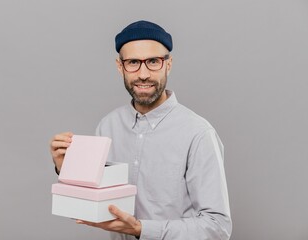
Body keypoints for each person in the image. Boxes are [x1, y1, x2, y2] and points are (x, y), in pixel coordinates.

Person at [50, 20, 232, 240]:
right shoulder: (107, 126)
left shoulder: (198, 134)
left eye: (153, 61)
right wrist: (68, 172)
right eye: (133, 62)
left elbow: (218, 228)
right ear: (120, 66)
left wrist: (141, 229)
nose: (143, 74)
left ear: (168, 64)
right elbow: (91, 209)